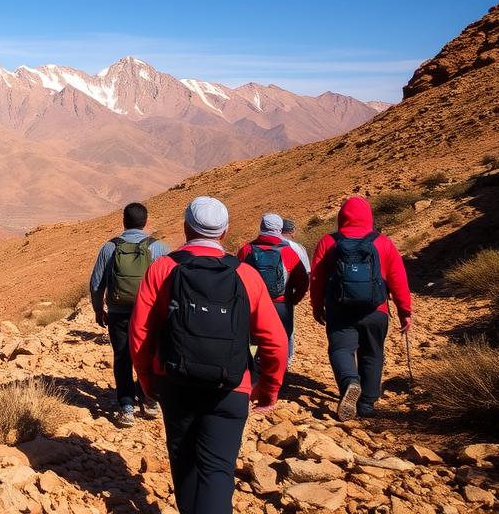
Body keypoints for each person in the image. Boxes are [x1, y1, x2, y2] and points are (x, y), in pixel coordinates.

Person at [130, 197, 287, 514]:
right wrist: (268, 389)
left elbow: (140, 333)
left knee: (184, 461)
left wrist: (147, 380)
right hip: (230, 387)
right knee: (217, 471)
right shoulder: (246, 275)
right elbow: (275, 341)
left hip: (174, 382)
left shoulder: (163, 269)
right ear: (225, 232)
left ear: (186, 228)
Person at [309, 196, 412, 421]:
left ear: (341, 217)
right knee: (372, 354)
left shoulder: (329, 241)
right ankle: (366, 405)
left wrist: (317, 305)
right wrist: (405, 311)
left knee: (340, 350)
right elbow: (398, 280)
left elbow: (316, 278)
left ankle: (350, 382)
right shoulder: (382, 242)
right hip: (376, 310)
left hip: (340, 308)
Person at [89, 202, 169, 426]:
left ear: (124, 221)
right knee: (151, 355)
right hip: (150, 315)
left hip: (118, 313)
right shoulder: (159, 248)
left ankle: (126, 407)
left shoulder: (110, 247)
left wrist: (98, 310)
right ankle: (150, 400)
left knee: (122, 358)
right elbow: (170, 283)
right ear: (146, 222)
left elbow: (97, 284)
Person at [237, 214, 309, 367]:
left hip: (252, 305)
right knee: (279, 341)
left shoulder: (246, 250)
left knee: (251, 340)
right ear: (280, 229)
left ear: (261, 227)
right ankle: (277, 377)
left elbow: (236, 278)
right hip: (281, 305)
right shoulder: (288, 251)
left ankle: (251, 372)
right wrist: (293, 300)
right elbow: (303, 281)